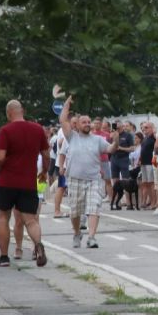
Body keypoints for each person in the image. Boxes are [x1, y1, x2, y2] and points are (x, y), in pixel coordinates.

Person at [0, 100, 49, 268]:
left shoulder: (6, 130)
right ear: (22, 111)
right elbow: (46, 155)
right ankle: (38, 245)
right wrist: (44, 172)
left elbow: (1, 157)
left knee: (3, 217)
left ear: (9, 113)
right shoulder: (37, 129)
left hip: (7, 181)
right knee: (30, 220)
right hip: (28, 182)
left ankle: (3, 257)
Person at [59, 98, 117, 249]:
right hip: (75, 179)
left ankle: (91, 237)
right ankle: (77, 233)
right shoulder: (71, 136)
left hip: (93, 180)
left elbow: (110, 149)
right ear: (77, 125)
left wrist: (116, 141)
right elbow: (62, 119)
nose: (87, 124)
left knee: (94, 207)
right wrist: (67, 104)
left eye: (88, 122)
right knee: (75, 212)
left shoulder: (97, 139)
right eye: (83, 122)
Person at [138, 122, 156, 209]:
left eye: (147, 127)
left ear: (152, 128)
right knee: (145, 183)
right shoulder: (145, 138)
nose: (144, 129)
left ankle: (153, 203)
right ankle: (146, 201)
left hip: (150, 163)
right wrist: (140, 159)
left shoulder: (154, 137)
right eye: (144, 128)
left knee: (151, 183)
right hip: (144, 163)